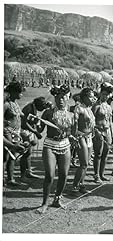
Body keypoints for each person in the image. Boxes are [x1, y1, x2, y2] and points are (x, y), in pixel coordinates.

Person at [35, 85, 75, 214]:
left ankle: (57, 199)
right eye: (58, 97)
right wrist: (34, 124)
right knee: (50, 175)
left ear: (67, 98)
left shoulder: (71, 114)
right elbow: (40, 131)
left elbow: (70, 132)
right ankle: (44, 203)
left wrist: (72, 137)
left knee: (63, 175)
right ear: (55, 98)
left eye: (63, 97)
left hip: (65, 145)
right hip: (50, 145)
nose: (60, 100)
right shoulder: (48, 113)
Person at [20, 97, 51, 182]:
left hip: (28, 131)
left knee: (29, 152)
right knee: (25, 153)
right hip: (24, 131)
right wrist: (36, 132)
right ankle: (22, 175)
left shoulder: (34, 107)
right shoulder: (29, 108)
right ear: (38, 105)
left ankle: (28, 171)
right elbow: (24, 123)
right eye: (42, 107)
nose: (42, 110)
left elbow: (31, 120)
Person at [72, 88, 97, 193]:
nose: (93, 99)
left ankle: (81, 185)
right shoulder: (79, 108)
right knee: (84, 163)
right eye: (90, 97)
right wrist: (75, 137)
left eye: (93, 96)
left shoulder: (89, 109)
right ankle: (74, 187)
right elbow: (74, 125)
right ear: (84, 97)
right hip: (81, 136)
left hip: (89, 138)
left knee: (86, 164)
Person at [3, 81, 27, 186]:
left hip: (16, 132)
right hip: (7, 131)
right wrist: (4, 122)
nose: (21, 94)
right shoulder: (6, 104)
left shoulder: (15, 103)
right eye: (19, 92)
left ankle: (10, 178)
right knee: (5, 157)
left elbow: (20, 114)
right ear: (13, 92)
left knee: (12, 156)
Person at [92, 82, 113, 183]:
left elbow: (110, 121)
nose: (105, 96)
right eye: (103, 94)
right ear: (100, 93)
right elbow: (91, 120)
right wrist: (95, 130)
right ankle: (96, 175)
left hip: (108, 131)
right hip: (98, 131)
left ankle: (102, 174)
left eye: (107, 95)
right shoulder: (96, 106)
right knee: (98, 154)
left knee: (106, 153)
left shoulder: (108, 106)